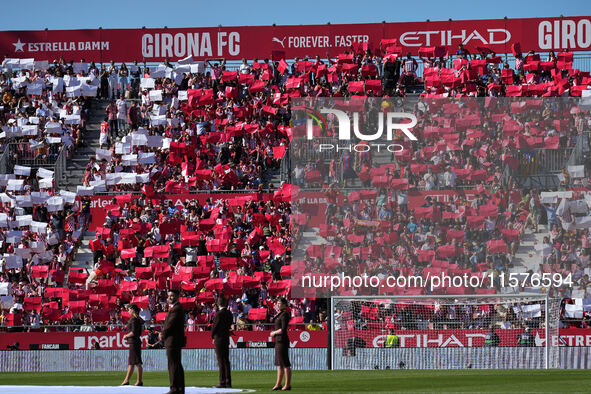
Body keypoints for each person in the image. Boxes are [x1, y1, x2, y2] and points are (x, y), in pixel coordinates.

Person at [160, 289, 186, 394]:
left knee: (173, 364)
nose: (170, 297)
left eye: (172, 296)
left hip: (173, 340)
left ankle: (175, 388)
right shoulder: (175, 308)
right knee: (176, 364)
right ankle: (179, 388)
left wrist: (163, 334)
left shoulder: (176, 308)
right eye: (168, 296)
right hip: (173, 340)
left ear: (177, 296)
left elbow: (170, 324)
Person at [211, 296, 233, 388]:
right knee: (226, 360)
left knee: (220, 360)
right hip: (226, 337)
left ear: (218, 303)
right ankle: (228, 381)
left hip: (219, 338)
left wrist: (213, 336)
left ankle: (222, 381)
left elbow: (215, 327)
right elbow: (230, 323)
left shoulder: (218, 314)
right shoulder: (229, 313)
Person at [270, 297, 291, 391]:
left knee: (285, 363)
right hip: (278, 340)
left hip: (282, 340)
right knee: (279, 363)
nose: (278, 305)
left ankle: (287, 384)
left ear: (284, 304)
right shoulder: (279, 314)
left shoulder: (285, 314)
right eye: (277, 303)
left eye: (280, 303)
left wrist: (274, 333)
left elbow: (283, 329)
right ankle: (278, 384)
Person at [121, 304, 144, 386]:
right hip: (135, 342)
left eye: (129, 309)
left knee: (136, 362)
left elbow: (133, 332)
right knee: (132, 362)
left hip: (134, 342)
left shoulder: (134, 319)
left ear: (133, 309)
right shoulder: (137, 318)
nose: (128, 311)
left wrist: (126, 336)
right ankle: (127, 380)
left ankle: (138, 381)